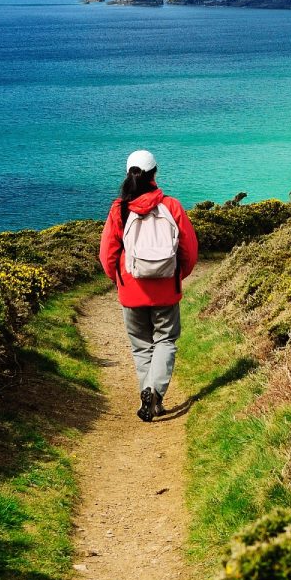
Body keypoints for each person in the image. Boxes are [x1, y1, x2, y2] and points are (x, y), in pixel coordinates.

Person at [99, 149, 198, 422]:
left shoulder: (119, 209)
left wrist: (119, 281)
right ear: (155, 173)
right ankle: (154, 394)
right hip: (166, 290)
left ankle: (149, 395)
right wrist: (177, 276)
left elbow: (107, 255)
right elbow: (189, 251)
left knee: (141, 346)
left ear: (128, 173)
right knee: (165, 341)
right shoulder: (172, 206)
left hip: (131, 291)